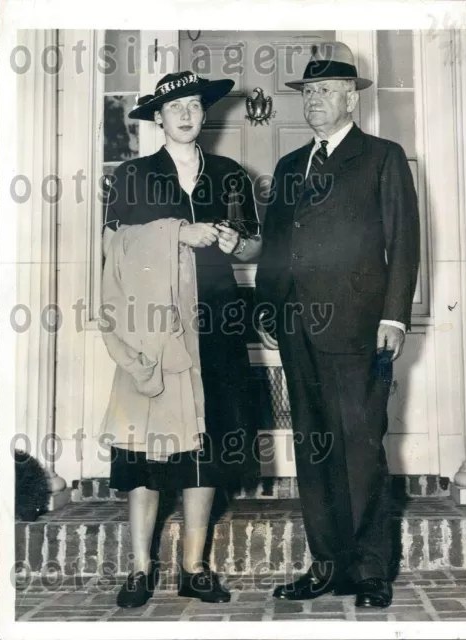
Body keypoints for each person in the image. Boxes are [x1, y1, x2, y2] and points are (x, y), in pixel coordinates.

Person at [255, 42, 420, 608]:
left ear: (352, 97)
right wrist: (267, 307)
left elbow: (403, 244)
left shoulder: (382, 157)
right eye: (309, 92)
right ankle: (326, 563)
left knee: (361, 444)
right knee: (315, 447)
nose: (315, 101)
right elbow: (276, 249)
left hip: (359, 328)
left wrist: (395, 315)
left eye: (326, 91)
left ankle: (370, 568)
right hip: (298, 327)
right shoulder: (288, 166)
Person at [102, 71, 262, 608]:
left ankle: (194, 566)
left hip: (216, 324)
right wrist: (176, 230)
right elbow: (115, 247)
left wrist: (238, 242)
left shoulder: (230, 175)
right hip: (155, 326)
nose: (188, 114)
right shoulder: (134, 174)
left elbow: (253, 249)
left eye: (195, 104)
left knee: (207, 444)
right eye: (177, 107)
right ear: (159, 118)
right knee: (145, 446)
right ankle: (141, 568)